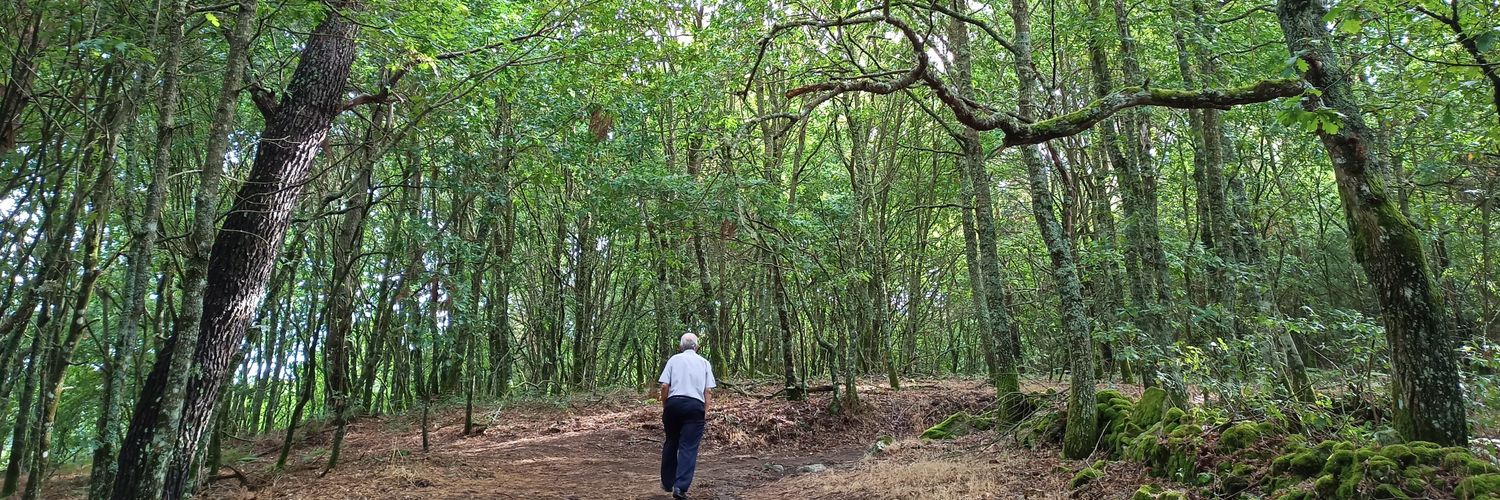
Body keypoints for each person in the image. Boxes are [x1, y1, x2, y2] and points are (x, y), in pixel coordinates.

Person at [658, 332, 715, 499]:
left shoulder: (674, 360)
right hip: (695, 406)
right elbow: (708, 391)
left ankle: (667, 483)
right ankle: (680, 487)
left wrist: (665, 405)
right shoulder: (704, 363)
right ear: (696, 347)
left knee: (671, 441)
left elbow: (664, 386)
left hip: (673, 404)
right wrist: (704, 411)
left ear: (680, 346)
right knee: (688, 447)